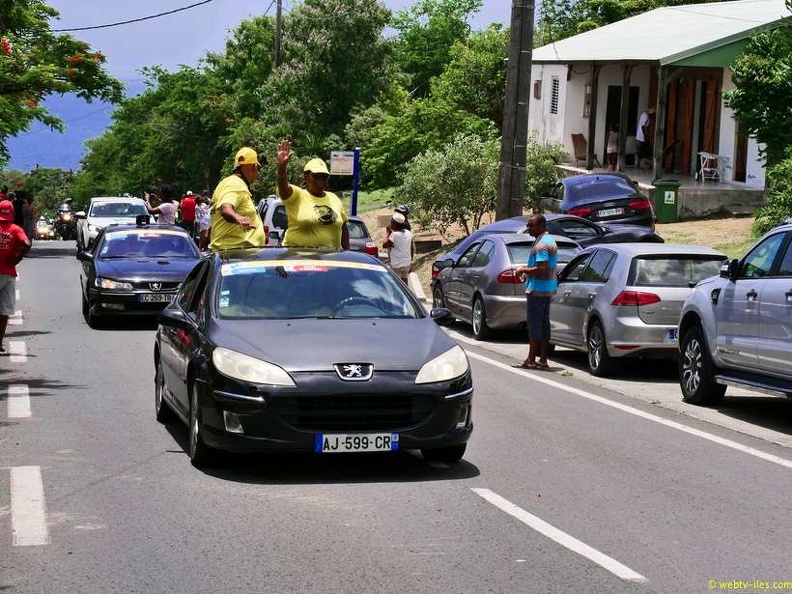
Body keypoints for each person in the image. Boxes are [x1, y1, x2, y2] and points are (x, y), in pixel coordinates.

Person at [276, 139, 349, 250]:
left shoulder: (334, 198)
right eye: (316, 176)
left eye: (324, 177)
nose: (320, 180)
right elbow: (283, 189)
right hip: (297, 259)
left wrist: (348, 254)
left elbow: (343, 226)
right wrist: (282, 168)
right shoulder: (298, 195)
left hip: (329, 261)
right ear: (306, 177)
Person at [512, 214, 558, 370]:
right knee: (544, 324)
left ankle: (531, 359)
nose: (528, 229)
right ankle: (543, 359)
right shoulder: (549, 240)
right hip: (547, 289)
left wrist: (523, 270)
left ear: (540, 225)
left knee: (534, 325)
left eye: (531, 226)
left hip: (538, 289)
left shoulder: (542, 245)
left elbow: (542, 269)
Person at [209, 146, 266, 251]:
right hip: (236, 255)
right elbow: (226, 208)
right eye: (257, 168)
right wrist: (238, 218)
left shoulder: (229, 183)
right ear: (254, 167)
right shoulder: (235, 183)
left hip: (234, 253)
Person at [0, 200, 31, 354]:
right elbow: (27, 243)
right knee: (4, 310)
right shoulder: (15, 229)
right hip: (8, 273)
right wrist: (17, 259)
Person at [383, 212, 414, 283]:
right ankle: (406, 293)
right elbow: (411, 248)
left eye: (391, 223)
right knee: (405, 282)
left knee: (396, 284)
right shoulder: (408, 233)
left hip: (396, 265)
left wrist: (387, 232)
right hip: (407, 263)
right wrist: (410, 261)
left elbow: (384, 245)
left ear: (394, 225)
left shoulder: (394, 235)